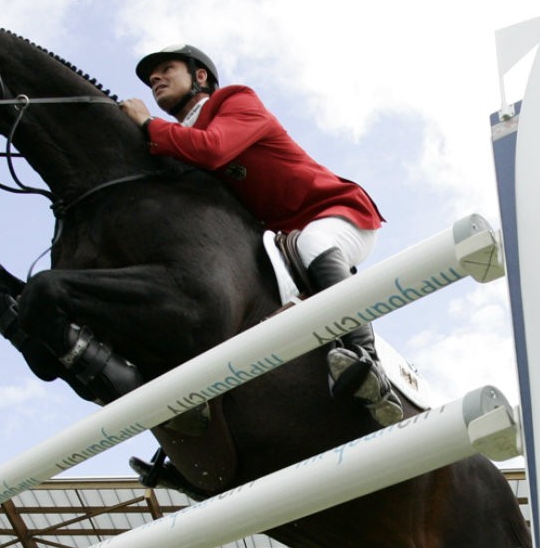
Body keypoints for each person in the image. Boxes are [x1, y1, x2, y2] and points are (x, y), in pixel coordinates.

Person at [120, 45, 401, 426]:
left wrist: (146, 123)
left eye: (166, 69)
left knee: (312, 243)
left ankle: (366, 363)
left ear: (200, 76)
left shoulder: (236, 100)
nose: (155, 79)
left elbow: (214, 149)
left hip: (337, 213)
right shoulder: (179, 140)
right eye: (152, 77)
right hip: (280, 240)